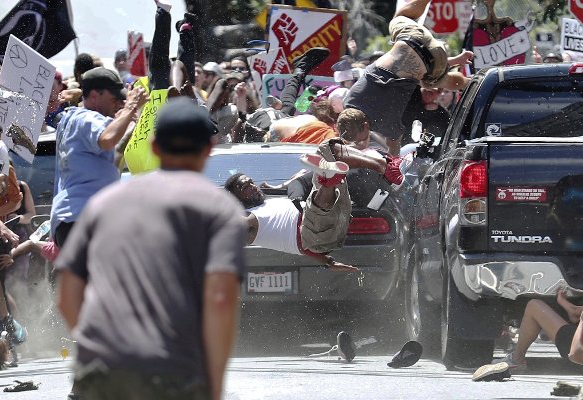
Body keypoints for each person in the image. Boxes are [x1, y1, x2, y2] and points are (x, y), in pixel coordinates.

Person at [56, 97, 245, 400]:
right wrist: (214, 385)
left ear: (155, 147)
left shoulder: (104, 202)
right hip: (173, 373)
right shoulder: (219, 210)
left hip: (99, 375)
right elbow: (220, 298)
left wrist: (102, 349)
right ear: (209, 150)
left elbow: (67, 295)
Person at [225, 109, 403, 271]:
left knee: (328, 148)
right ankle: (328, 179)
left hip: (327, 228)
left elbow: (302, 247)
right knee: (314, 206)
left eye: (250, 182)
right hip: (313, 226)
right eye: (244, 187)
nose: (252, 186)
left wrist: (329, 262)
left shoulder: (269, 204)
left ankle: (387, 168)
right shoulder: (248, 220)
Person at [344, 0, 473, 155]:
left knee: (434, 80)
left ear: (365, 126)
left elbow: (394, 155)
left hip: (434, 59)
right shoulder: (349, 100)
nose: (361, 143)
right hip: (412, 37)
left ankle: (472, 84)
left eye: (359, 140)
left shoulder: (385, 124)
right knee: (399, 18)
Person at [50, 67, 148, 250]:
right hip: (82, 218)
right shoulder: (87, 118)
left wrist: (130, 121)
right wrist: (130, 107)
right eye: (113, 99)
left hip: (75, 218)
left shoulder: (72, 119)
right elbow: (107, 139)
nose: (116, 104)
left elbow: (114, 153)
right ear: (94, 96)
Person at [473, 291, 583, 381]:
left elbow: (575, 354)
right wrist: (573, 309)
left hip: (577, 351)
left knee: (534, 306)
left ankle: (517, 359)